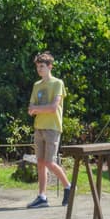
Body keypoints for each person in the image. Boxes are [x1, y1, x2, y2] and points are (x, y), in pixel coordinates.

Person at [26, 52, 73, 206]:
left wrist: (37, 109)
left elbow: (54, 107)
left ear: (50, 66)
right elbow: (30, 108)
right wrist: (39, 109)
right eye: (38, 67)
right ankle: (42, 196)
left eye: (42, 66)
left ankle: (69, 187)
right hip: (38, 127)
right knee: (40, 162)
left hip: (52, 128)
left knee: (49, 162)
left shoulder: (58, 83)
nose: (39, 69)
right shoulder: (36, 85)